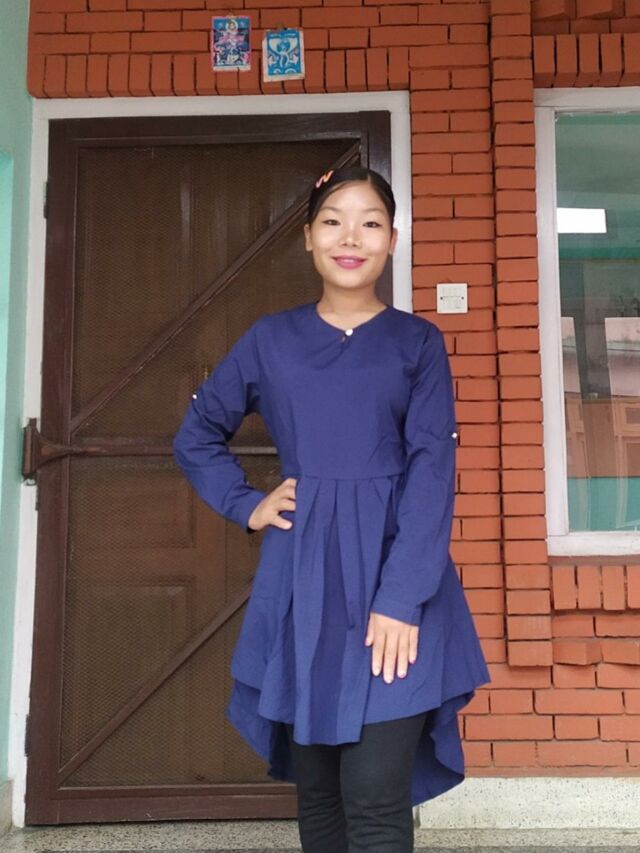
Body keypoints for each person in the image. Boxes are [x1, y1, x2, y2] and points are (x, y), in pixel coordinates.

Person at [173, 166, 491, 851]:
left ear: (392, 240)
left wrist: (401, 599)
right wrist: (247, 504)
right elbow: (196, 435)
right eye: (333, 221)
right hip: (305, 585)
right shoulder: (270, 340)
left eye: (370, 222)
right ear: (308, 237)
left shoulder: (418, 343)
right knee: (319, 797)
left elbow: (432, 472)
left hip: (398, 585)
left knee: (374, 795)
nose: (351, 237)